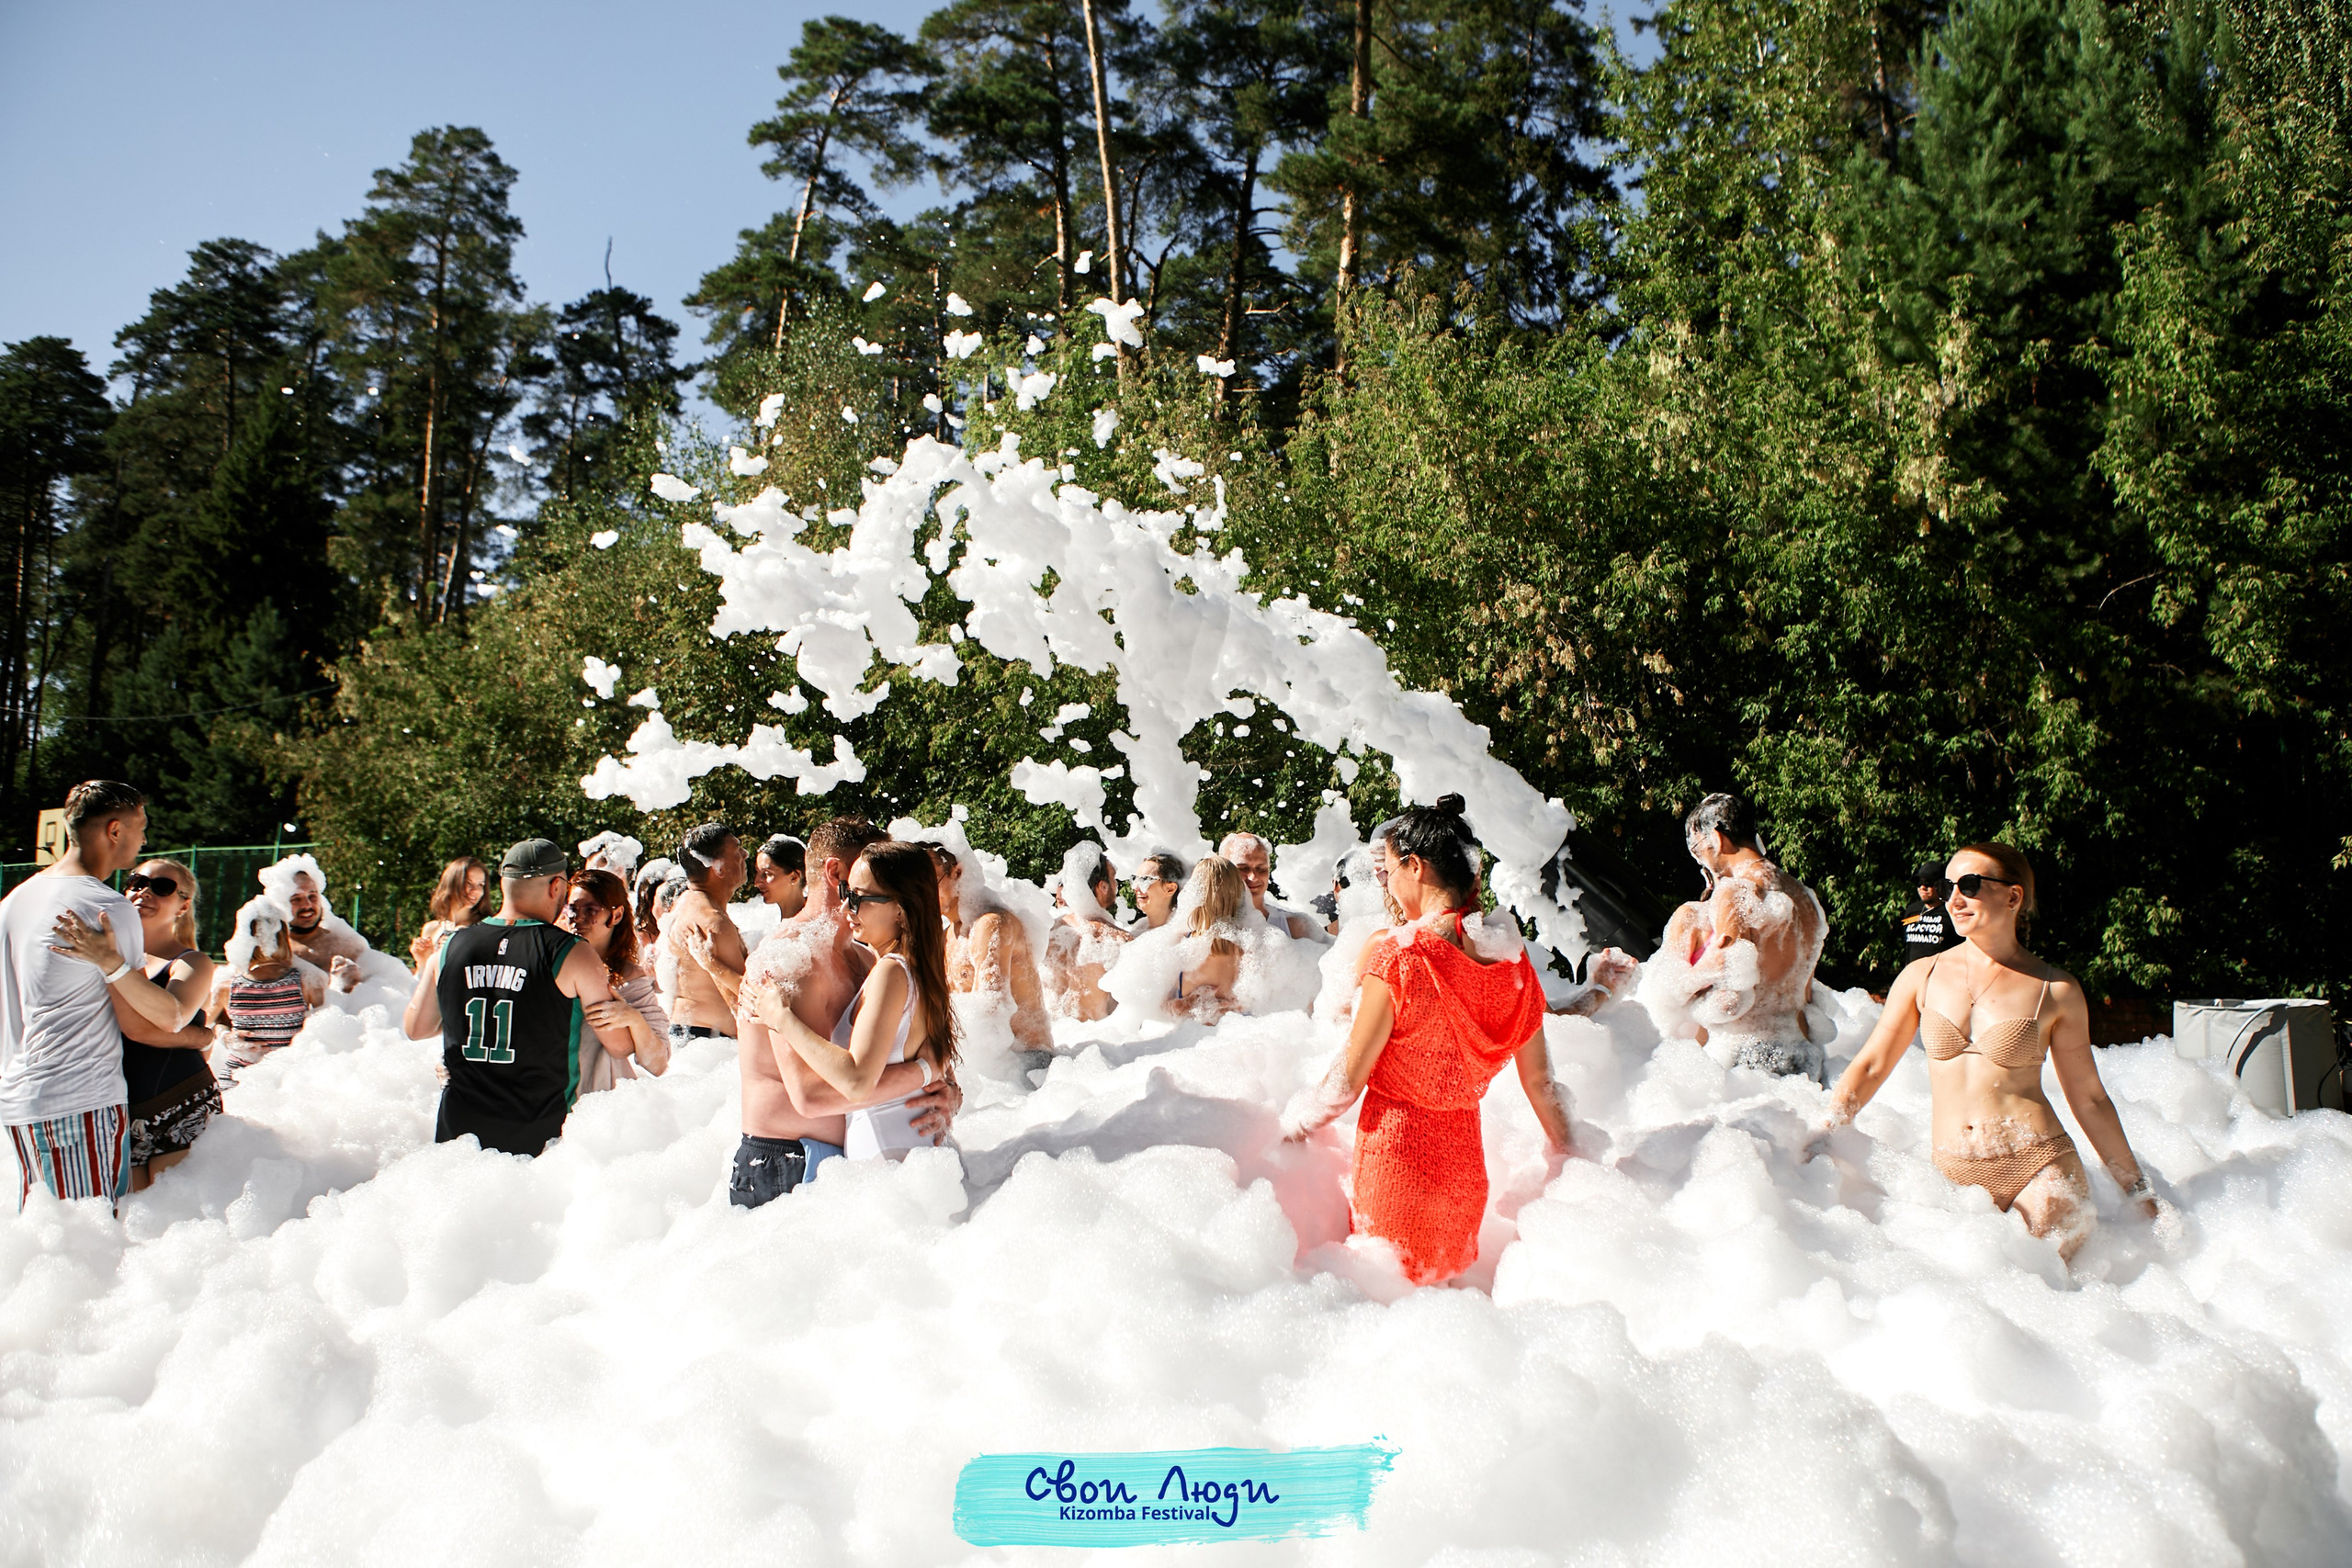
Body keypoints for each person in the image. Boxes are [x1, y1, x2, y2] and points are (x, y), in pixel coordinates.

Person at [1810, 845, 2159, 1260]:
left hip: (2040, 1166)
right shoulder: (1922, 975)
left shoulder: (2056, 989)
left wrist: (2138, 1191)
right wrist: (1825, 1131)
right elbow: (1872, 1064)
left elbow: (2089, 1097)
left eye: (1970, 886)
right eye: (1947, 886)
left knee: (2036, 1298)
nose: (1954, 899)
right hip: (1951, 1176)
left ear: (2013, 897)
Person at [1279, 795, 1573, 1286]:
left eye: (1390, 869)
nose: (1387, 883)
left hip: (1397, 1166)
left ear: (1414, 866)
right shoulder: (1513, 963)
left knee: (1387, 1312)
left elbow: (1346, 1080)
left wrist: (1288, 1130)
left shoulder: (1399, 956)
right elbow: (1542, 1083)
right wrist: (1575, 1155)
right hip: (1463, 1173)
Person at [732, 818, 961, 1205]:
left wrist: (948, 1092)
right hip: (790, 1163)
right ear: (836, 872)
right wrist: (926, 1071)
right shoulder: (785, 959)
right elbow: (812, 1097)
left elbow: (919, 1052)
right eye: (858, 880)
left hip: (866, 1160)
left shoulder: (871, 959)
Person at [4, 781, 185, 1212]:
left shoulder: (15, 900)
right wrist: (199, 1037)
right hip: (79, 1098)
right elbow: (144, 1021)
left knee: (47, 1244)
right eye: (142, 829)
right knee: (90, 1248)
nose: (145, 841)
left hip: (17, 1099)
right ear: (115, 830)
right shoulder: (107, 906)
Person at [401, 839, 629, 1156]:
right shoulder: (572, 953)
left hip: (457, 1141)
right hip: (538, 1140)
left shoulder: (449, 947)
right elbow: (619, 1045)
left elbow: (416, 1028)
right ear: (555, 887)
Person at [1645, 793, 1830, 1082]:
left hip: (1748, 1061)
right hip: (1806, 1058)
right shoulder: (1805, 897)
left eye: (1697, 849)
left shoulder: (1736, 892)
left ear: (1717, 837)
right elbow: (1806, 995)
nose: (1700, 861)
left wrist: (1696, 978)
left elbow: (1729, 998)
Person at [111, 859, 220, 1190]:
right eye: (137, 882)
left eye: (162, 888)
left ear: (183, 905)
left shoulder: (192, 962)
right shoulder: (104, 953)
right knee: (128, 1224)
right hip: (119, 1110)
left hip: (180, 1103)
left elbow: (155, 1026)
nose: (144, 892)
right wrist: (201, 1037)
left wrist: (200, 1038)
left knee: (171, 1223)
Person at [927, 841, 1053, 1060]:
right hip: (993, 1067)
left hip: (1028, 1064)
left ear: (957, 872)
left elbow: (992, 1015)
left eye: (930, 881)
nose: (923, 893)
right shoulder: (944, 937)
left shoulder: (991, 924)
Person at [558, 867, 672, 1089]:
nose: (577, 919)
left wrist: (633, 1019)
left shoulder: (630, 978)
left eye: (590, 910)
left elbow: (657, 1064)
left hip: (602, 1100)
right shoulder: (552, 959)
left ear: (616, 915)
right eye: (572, 909)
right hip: (554, 1094)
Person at [209, 897, 326, 1082]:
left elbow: (202, 1026)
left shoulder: (227, 988)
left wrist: (225, 1037)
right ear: (283, 939)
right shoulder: (306, 981)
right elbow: (326, 1030)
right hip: (288, 1080)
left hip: (236, 1078)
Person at [664, 821, 749, 1046]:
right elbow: (745, 997)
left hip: (690, 1039)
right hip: (708, 1042)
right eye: (737, 850)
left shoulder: (683, 903)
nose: (745, 854)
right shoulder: (713, 921)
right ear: (718, 868)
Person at [1044, 841, 1130, 1021]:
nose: (1117, 886)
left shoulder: (1047, 932)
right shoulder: (1117, 938)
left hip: (1056, 1035)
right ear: (1103, 886)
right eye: (1114, 880)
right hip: (1098, 1040)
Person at [267, 860, 365, 994]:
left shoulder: (346, 945)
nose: (307, 905)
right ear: (281, 903)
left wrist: (348, 986)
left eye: (312, 896)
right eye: (296, 899)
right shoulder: (268, 949)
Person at [1171, 857, 1249, 1021]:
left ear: (1196, 893)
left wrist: (1185, 1005)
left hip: (1189, 1041)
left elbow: (1157, 1009)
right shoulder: (1250, 946)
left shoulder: (1181, 944)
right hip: (1237, 1037)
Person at [1218, 831, 1318, 940]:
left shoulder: (1296, 927)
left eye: (1261, 869)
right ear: (1223, 872)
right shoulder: (1207, 930)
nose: (1253, 877)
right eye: (1242, 869)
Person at [409, 855, 492, 967]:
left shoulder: (486, 929)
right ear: (452, 883)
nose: (475, 891)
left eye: (480, 885)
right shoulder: (431, 929)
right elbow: (426, 980)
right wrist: (422, 961)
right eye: (468, 883)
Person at [1899, 860, 1962, 966]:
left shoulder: (1951, 912)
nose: (1922, 887)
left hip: (1941, 977)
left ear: (1941, 886)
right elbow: (1908, 946)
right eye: (1919, 883)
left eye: (1928, 883)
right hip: (1914, 976)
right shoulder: (1912, 910)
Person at [752, 834, 808, 919]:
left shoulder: (816, 927)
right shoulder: (772, 923)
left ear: (794, 877)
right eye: (757, 872)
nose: (756, 882)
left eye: (767, 874)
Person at [1129, 852, 1186, 930]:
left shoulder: (1184, 935)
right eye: (1134, 879)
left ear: (1170, 889)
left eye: (1145, 880)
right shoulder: (1138, 929)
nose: (1135, 887)